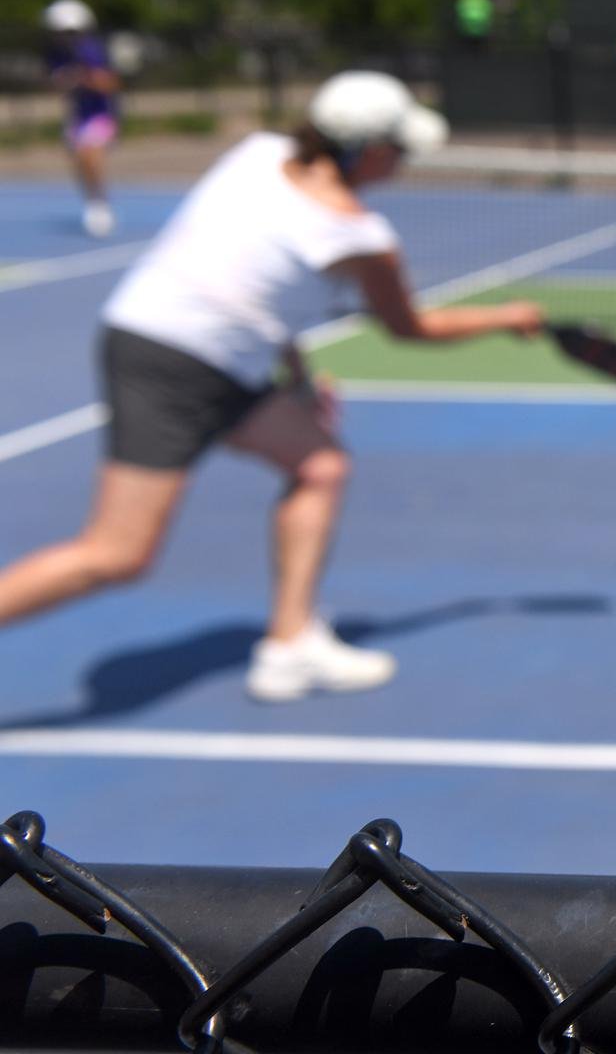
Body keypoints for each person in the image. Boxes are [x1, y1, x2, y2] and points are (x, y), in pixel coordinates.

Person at [0, 71, 546, 702]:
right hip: (178, 364)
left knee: (321, 466)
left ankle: (288, 647)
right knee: (117, 553)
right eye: (400, 149)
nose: (403, 163)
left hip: (180, 345)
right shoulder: (358, 235)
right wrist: (507, 318)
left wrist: (296, 377)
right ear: (371, 151)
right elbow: (410, 328)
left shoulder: (257, 154)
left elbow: (249, 278)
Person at [43, 0, 120, 238]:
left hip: (100, 114)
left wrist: (84, 78)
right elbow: (55, 84)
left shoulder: (91, 50)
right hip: (77, 117)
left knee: (89, 156)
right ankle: (94, 202)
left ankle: (100, 205)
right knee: (80, 163)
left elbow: (109, 83)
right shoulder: (56, 55)